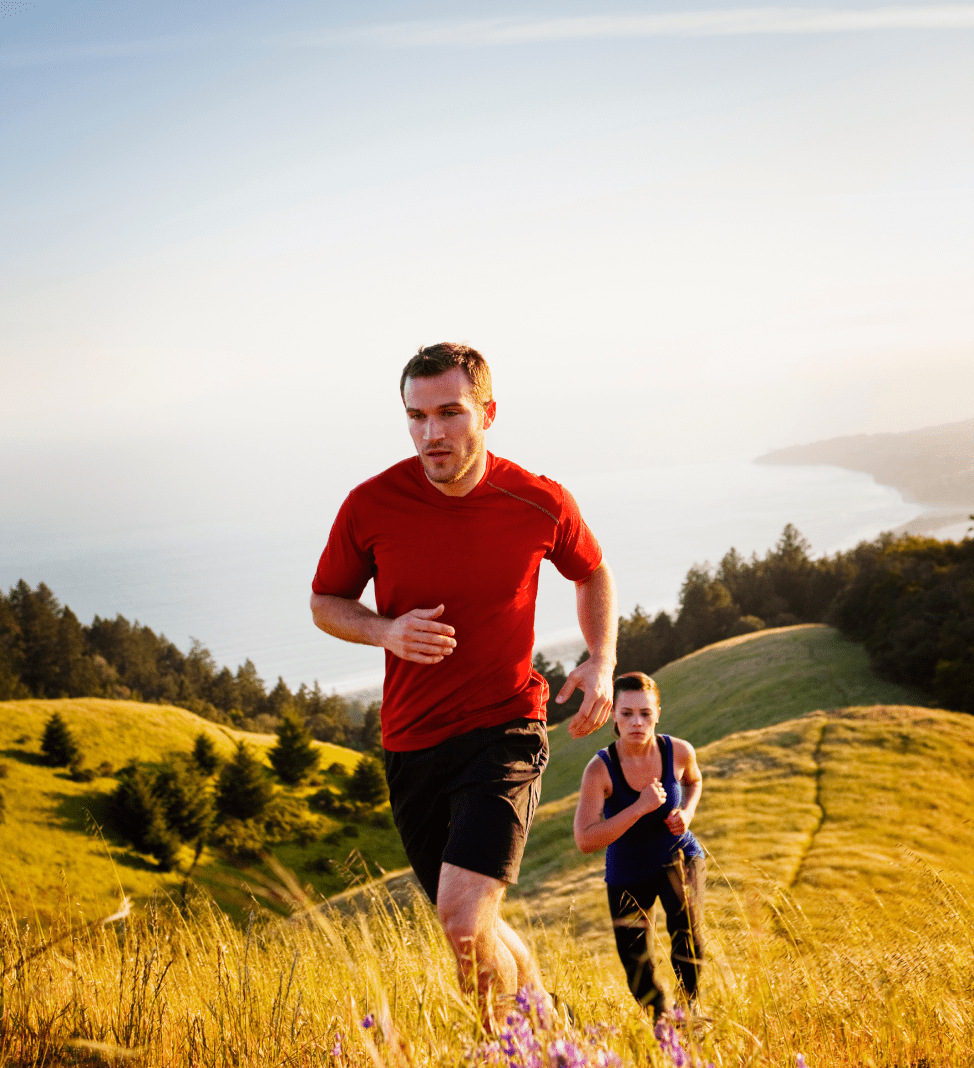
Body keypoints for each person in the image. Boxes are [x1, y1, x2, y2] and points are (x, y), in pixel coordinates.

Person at [310, 342, 617, 1017]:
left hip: (504, 730)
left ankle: (508, 1050)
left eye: (449, 413)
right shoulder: (370, 504)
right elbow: (326, 601)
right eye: (416, 417)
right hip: (412, 742)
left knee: (459, 918)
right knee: (474, 923)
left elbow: (591, 570)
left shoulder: (538, 500)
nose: (431, 434)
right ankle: (551, 1029)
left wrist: (602, 658)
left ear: (487, 412)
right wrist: (384, 631)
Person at [573, 672, 705, 1020]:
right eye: (627, 713)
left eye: (645, 713)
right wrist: (638, 807)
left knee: (687, 934)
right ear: (613, 715)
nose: (637, 722)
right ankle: (662, 1024)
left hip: (679, 856)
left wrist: (687, 813)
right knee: (634, 960)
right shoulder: (599, 770)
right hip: (627, 870)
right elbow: (585, 839)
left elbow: (694, 780)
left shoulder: (678, 751)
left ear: (658, 713)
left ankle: (689, 1014)